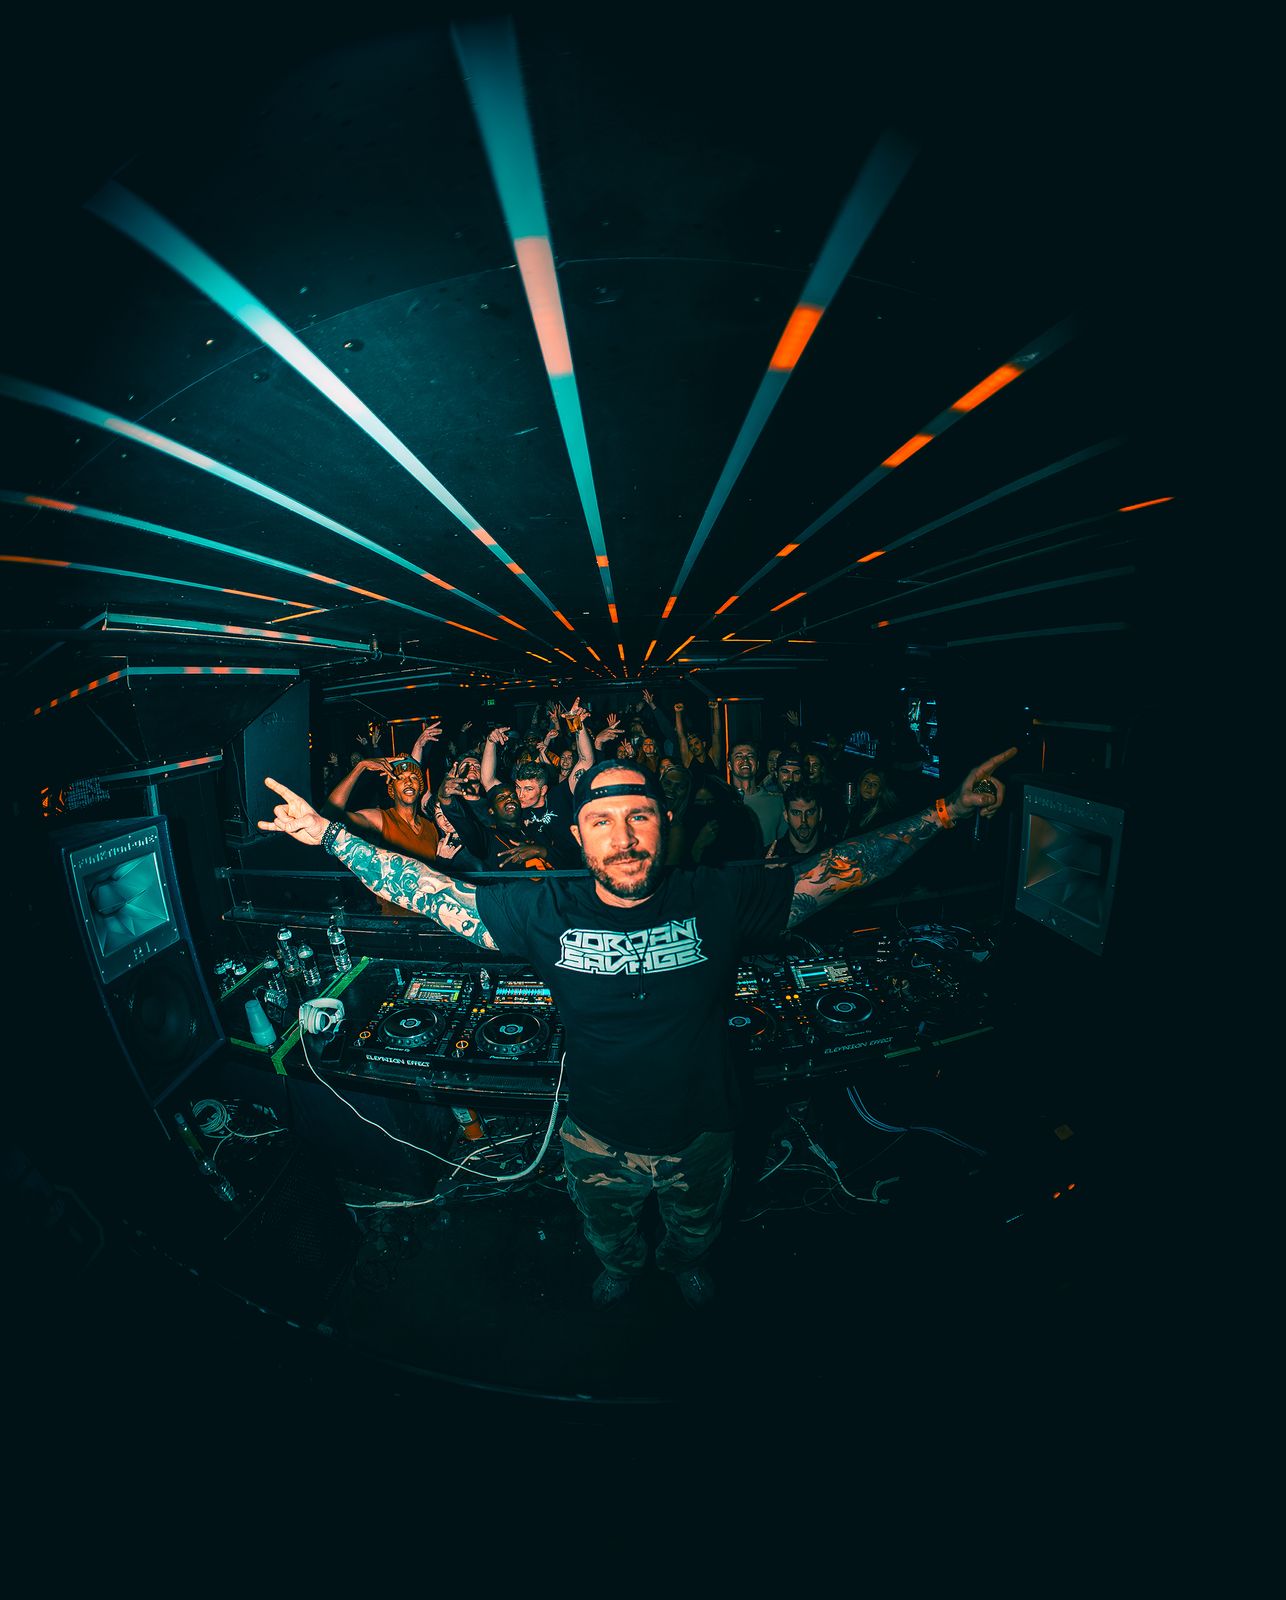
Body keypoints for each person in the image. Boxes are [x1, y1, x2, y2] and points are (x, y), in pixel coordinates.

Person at [259, 746, 1016, 1309]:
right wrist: (329, 835)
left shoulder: (718, 897)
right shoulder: (543, 910)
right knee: (607, 1229)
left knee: (697, 1226)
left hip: (705, 1128)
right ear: (578, 835)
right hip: (596, 1132)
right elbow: (427, 888)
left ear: (665, 823)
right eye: (601, 821)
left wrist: (947, 811)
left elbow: (843, 869)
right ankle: (621, 1268)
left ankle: (686, 1263)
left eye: (639, 816)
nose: (622, 837)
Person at [324, 751, 440, 917]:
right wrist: (360, 766)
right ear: (392, 788)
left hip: (430, 919)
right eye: (400, 778)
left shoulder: (431, 828)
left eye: (413, 777)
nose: (408, 781)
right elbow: (330, 815)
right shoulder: (381, 819)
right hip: (395, 921)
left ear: (420, 787)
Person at [728, 739, 785, 850]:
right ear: (729, 765)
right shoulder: (721, 801)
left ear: (757, 764)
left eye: (750, 756)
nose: (745, 760)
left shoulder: (777, 801)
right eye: (738, 756)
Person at [764, 781, 834, 869]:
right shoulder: (771, 857)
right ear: (786, 816)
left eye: (810, 812)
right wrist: (766, 875)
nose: (803, 820)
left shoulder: (835, 851)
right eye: (796, 813)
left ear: (820, 814)